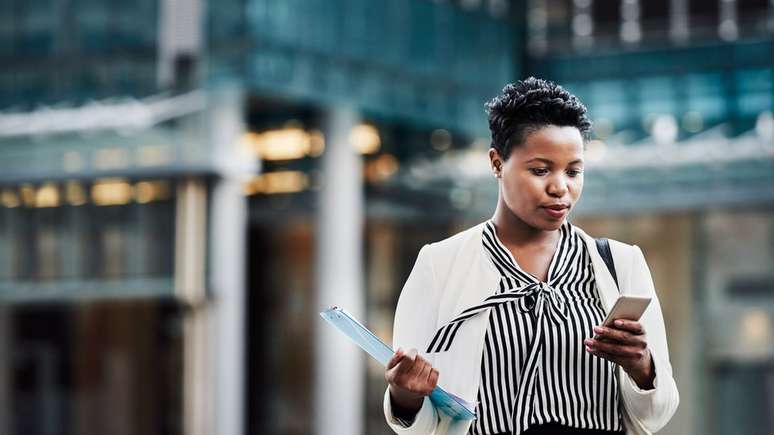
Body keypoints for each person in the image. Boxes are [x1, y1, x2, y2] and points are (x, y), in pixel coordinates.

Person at [382, 77, 679, 435]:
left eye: (573, 171)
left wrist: (642, 367)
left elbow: (656, 416)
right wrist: (404, 396)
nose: (560, 187)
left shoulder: (620, 265)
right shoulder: (439, 266)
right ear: (496, 162)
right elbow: (423, 424)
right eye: (540, 170)